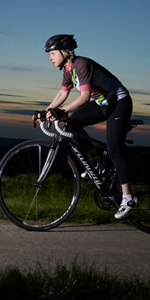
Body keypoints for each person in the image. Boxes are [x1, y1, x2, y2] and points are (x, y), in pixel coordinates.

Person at [38, 34, 136, 220]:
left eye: (52, 53)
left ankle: (128, 198)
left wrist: (61, 110)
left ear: (64, 52)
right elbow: (62, 94)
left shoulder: (82, 64)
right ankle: (97, 161)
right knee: (72, 124)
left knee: (114, 149)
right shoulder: (68, 70)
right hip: (102, 103)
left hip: (119, 103)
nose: (49, 58)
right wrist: (46, 112)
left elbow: (84, 98)